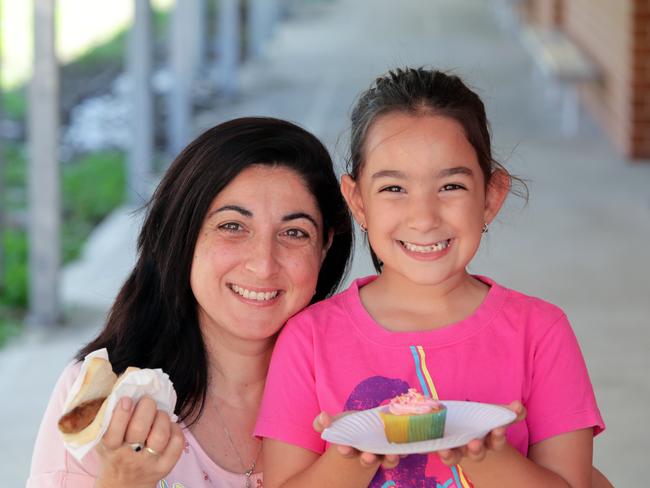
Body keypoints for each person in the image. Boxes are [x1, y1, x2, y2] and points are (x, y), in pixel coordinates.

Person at [255, 68, 606, 488]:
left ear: (491, 197)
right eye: (393, 189)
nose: (424, 218)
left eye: (451, 186)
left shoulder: (541, 332)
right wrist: (354, 456)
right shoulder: (308, 339)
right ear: (357, 202)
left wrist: (489, 457)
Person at [27, 116, 354, 487]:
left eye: (294, 232)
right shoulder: (99, 397)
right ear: (183, 235)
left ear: (325, 247)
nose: (263, 265)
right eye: (233, 226)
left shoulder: (361, 390)